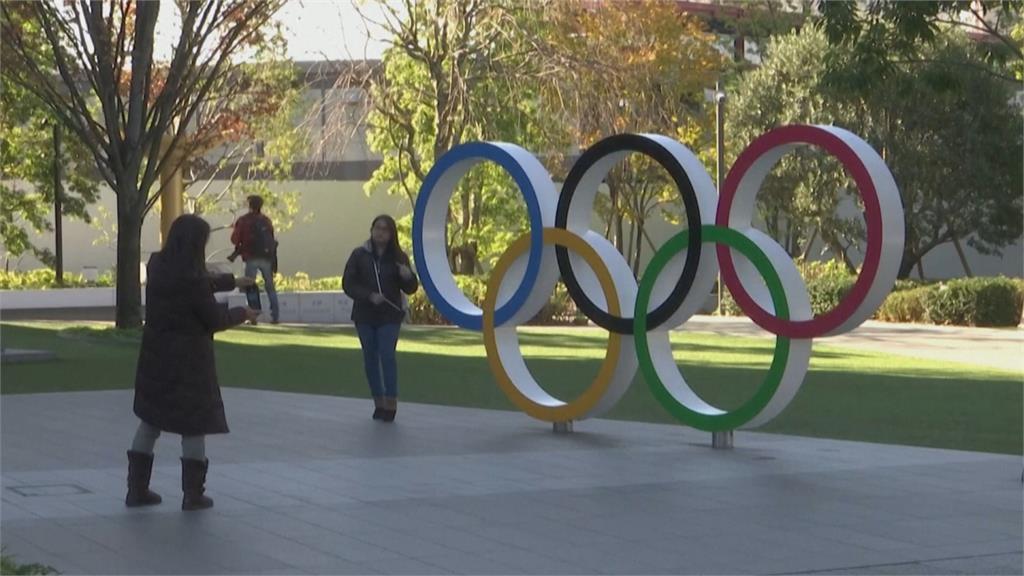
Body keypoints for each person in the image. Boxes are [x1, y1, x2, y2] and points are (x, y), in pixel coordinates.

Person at [127, 214, 258, 511]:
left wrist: (231, 281)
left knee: (150, 422)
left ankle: (136, 489)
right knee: (194, 426)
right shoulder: (192, 277)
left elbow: (196, 283)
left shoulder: (158, 265)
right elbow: (213, 318)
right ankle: (193, 494)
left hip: (156, 356)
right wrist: (243, 313)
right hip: (189, 361)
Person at [343, 215, 419, 422]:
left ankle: (391, 401)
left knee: (387, 355)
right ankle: (378, 400)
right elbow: (348, 283)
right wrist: (368, 295)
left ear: (391, 233)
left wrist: (407, 277)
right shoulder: (359, 255)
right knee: (370, 357)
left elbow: (411, 288)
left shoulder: (399, 257)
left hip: (389, 315)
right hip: (365, 314)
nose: (380, 232)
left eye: (385, 229)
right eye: (377, 228)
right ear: (371, 229)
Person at [229, 195, 279, 324]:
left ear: (249, 205)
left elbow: (234, 239)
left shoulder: (244, 220)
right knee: (270, 287)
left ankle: (253, 315)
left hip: (251, 257)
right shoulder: (266, 220)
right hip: (266, 258)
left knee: (249, 285)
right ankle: (276, 315)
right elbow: (271, 239)